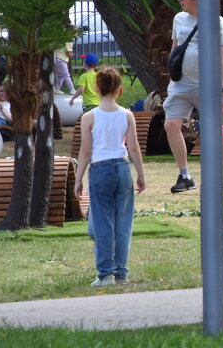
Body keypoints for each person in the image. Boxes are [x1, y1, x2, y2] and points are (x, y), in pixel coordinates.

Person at [73, 67, 146, 286]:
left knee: (102, 223)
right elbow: (134, 148)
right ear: (119, 89)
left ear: (96, 88)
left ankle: (105, 274)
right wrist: (141, 174)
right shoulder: (127, 114)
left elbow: (85, 151)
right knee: (123, 223)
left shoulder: (89, 117)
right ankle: (120, 273)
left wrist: (78, 178)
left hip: (100, 170)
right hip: (122, 169)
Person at [164, 0, 223, 194]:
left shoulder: (216, 21)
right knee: (171, 124)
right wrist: (171, 76)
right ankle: (185, 175)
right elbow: (175, 48)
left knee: (212, 131)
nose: (179, 0)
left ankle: (213, 177)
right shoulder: (179, 19)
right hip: (180, 83)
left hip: (207, 85)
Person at [53, 30, 76, 94]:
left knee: (61, 75)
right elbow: (69, 53)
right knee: (66, 75)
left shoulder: (63, 39)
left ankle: (57, 89)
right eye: (75, 31)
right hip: (61, 59)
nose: (77, 33)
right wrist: (72, 54)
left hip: (57, 58)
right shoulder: (68, 41)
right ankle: (72, 89)